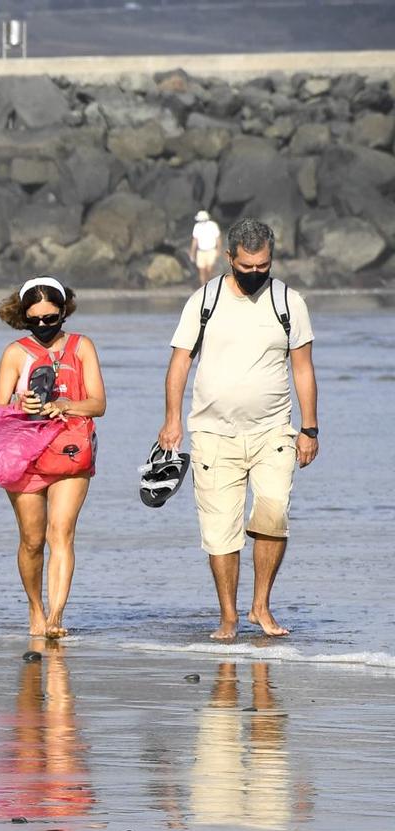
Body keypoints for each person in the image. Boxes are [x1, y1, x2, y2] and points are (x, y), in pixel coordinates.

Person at [157, 217, 317, 641]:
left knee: (273, 516)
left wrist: (310, 429)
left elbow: (303, 368)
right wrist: (172, 419)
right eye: (245, 267)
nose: (253, 274)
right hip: (212, 434)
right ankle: (228, 616)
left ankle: (260, 606)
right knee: (220, 531)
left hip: (273, 434)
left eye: (262, 266)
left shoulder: (288, 302)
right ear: (229, 258)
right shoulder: (203, 301)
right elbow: (180, 362)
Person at [0, 275, 105, 639]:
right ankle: (35, 608)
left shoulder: (82, 347)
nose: (42, 326)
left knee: (62, 534)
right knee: (32, 541)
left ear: (63, 313)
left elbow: (98, 404)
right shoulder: (14, 354)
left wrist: (64, 405)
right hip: (25, 456)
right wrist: (21, 406)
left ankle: (55, 616)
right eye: (34, 320)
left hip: (72, 450)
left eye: (50, 319)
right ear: (23, 316)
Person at [190, 210, 221, 283]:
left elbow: (218, 238)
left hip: (211, 250)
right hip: (201, 251)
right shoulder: (197, 226)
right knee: (202, 271)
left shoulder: (213, 225)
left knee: (209, 270)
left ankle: (208, 283)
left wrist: (218, 250)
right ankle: (203, 287)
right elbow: (195, 240)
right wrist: (192, 252)